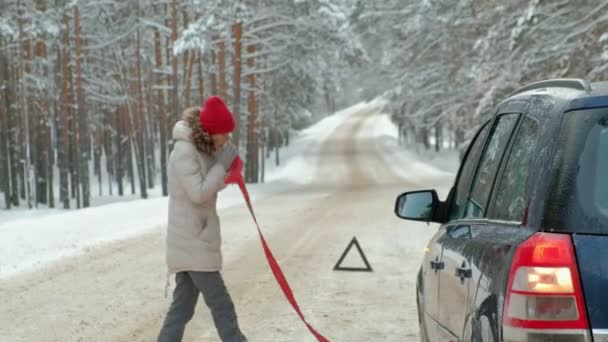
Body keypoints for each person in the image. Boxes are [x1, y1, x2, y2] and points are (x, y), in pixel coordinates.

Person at [158, 96, 247, 342]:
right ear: (211, 131)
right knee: (222, 305)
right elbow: (198, 193)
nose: (227, 139)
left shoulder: (201, 147)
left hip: (194, 238)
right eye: (225, 134)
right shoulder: (184, 151)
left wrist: (229, 170)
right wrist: (222, 165)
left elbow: (208, 184)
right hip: (192, 240)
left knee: (182, 309)